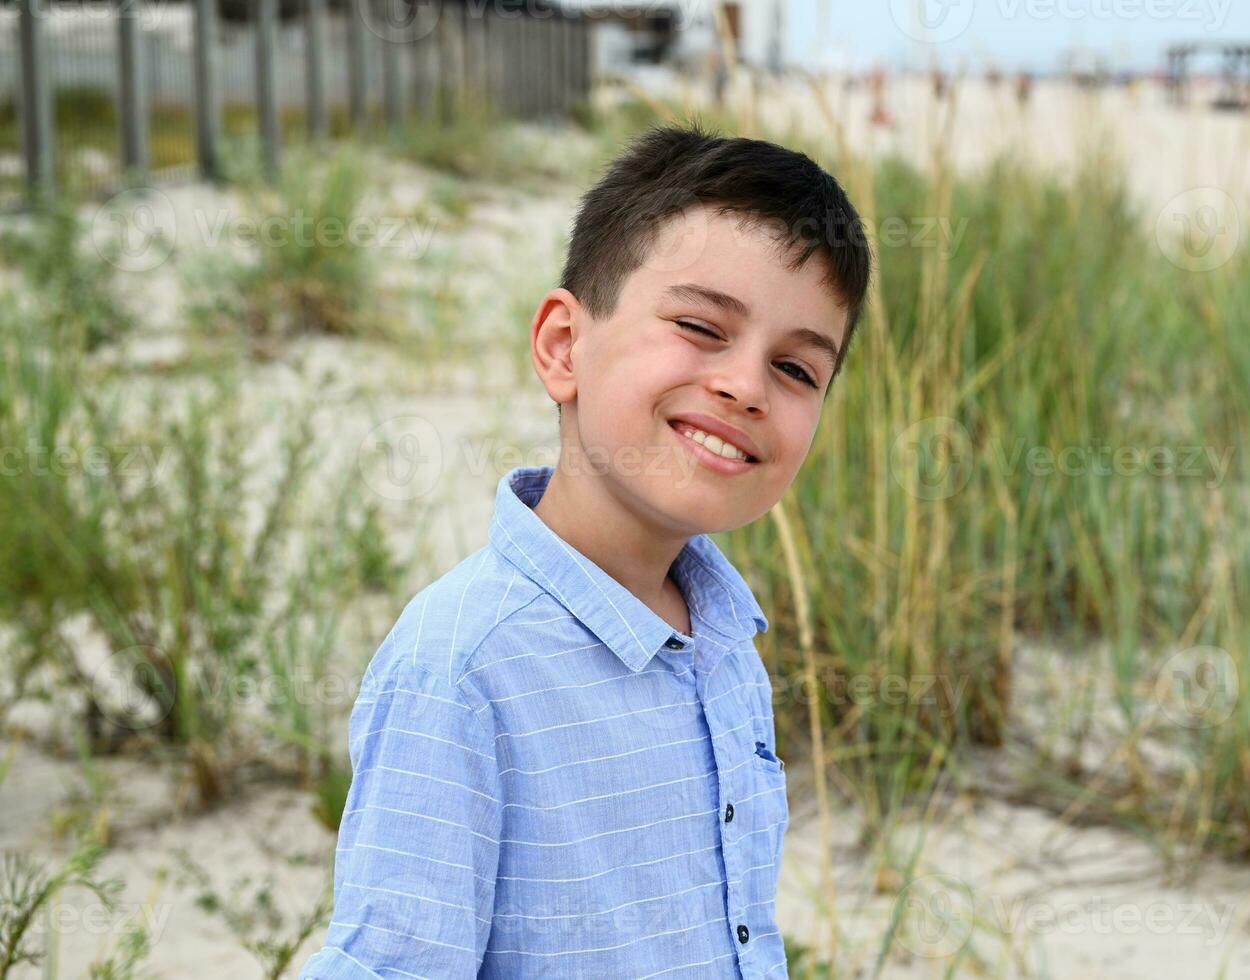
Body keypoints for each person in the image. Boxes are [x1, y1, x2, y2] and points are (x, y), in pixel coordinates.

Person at [298, 124, 872, 978]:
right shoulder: (462, 667)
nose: (745, 387)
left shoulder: (722, 643)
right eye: (698, 326)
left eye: (795, 370)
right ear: (564, 346)